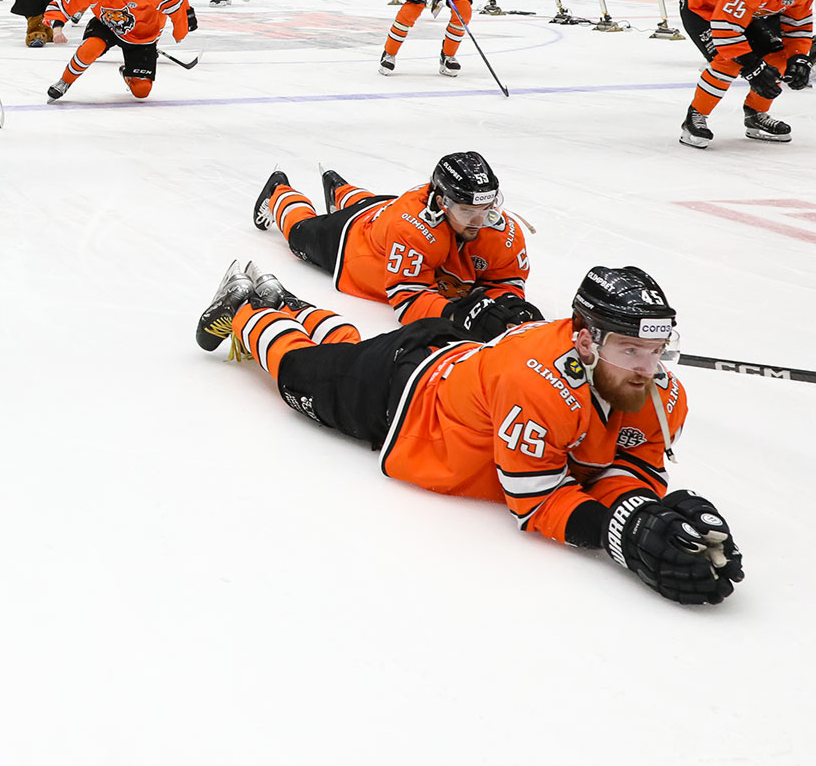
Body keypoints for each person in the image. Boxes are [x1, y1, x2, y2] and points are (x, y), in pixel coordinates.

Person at [193, 260, 741, 606]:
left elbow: (624, 466)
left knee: (349, 347)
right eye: (631, 349)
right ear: (585, 341)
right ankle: (247, 313)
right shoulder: (538, 386)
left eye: (656, 349)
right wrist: (619, 532)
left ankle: (289, 303)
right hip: (400, 396)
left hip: (451, 357)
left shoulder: (659, 392)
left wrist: (642, 509)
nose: (647, 367)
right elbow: (534, 500)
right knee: (296, 371)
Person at [249, 152, 537, 339]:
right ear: (441, 203)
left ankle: (339, 187)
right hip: (354, 241)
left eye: (487, 208)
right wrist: (459, 316)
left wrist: (510, 308)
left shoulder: (501, 231)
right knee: (299, 232)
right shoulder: (414, 230)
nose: (479, 221)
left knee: (369, 202)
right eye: (467, 211)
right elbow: (409, 300)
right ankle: (278, 191)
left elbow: (506, 281)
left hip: (385, 211)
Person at [679, 0, 816, 147]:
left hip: (739, 12)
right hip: (701, 7)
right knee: (729, 61)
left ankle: (755, 115)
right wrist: (753, 68)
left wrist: (799, 57)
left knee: (778, 57)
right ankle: (695, 117)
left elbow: (798, 25)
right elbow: (726, 32)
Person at [42, 0, 185, 101]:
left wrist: (180, 31)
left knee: (141, 91)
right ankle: (64, 81)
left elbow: (174, 0)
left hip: (141, 35)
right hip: (108, 26)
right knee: (90, 48)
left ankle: (129, 74)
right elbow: (60, 5)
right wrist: (57, 29)